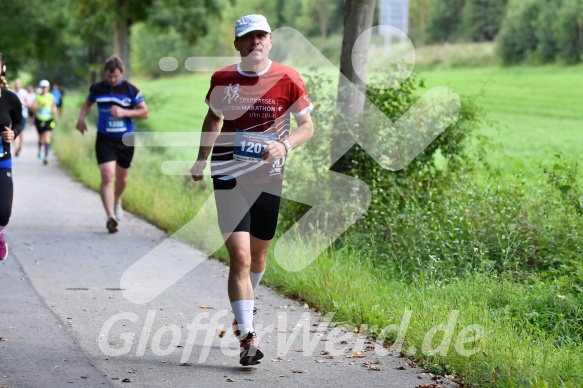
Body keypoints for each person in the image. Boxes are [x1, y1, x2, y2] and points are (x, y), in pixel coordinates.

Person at [190, 14, 314, 366]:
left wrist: (285, 146)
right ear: (237, 44)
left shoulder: (288, 78)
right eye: (248, 37)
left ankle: (242, 310)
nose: (255, 42)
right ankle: (248, 337)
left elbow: (307, 126)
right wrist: (201, 158)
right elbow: (213, 118)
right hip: (228, 176)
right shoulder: (223, 78)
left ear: (270, 41)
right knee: (240, 258)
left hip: (268, 180)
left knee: (259, 257)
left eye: (261, 36)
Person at [76, 56, 149, 233]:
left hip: (126, 139)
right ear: (105, 74)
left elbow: (144, 112)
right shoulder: (98, 88)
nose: (113, 80)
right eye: (109, 77)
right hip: (105, 138)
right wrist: (81, 118)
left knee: (122, 178)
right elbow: (87, 104)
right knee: (108, 176)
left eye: (116, 76)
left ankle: (116, 200)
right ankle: (110, 217)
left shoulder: (130, 89)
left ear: (121, 73)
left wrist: (123, 112)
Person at [0, 52, 24, 260]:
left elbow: (19, 122)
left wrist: (13, 133)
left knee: (3, 213)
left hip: (2, 160)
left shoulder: (10, 98)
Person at [33, 79, 57, 165]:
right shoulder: (37, 96)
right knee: (40, 137)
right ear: (41, 88)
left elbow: (54, 106)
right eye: (43, 87)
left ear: (48, 88)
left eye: (46, 87)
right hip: (39, 119)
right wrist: (40, 105)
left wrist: (55, 114)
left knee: (47, 137)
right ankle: (40, 149)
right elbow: (33, 107)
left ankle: (46, 156)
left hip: (49, 119)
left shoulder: (51, 96)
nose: (44, 89)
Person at [12, 78, 30, 156]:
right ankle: (16, 148)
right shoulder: (11, 92)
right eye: (15, 83)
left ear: (21, 84)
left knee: (21, 132)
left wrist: (22, 104)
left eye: (18, 83)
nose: (16, 85)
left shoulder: (24, 92)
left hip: (22, 115)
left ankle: (19, 145)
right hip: (13, 115)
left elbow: (29, 103)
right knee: (14, 131)